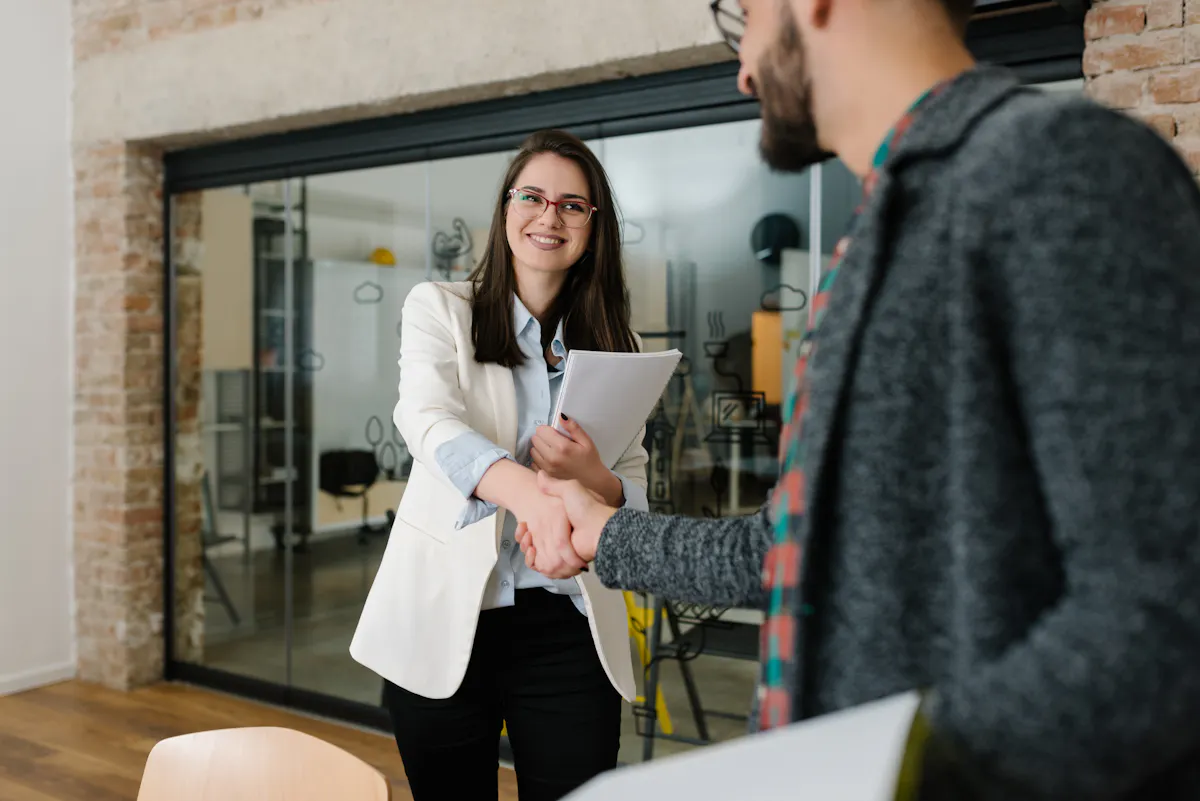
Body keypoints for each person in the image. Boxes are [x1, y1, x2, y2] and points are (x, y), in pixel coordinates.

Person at [517, 0, 1200, 799]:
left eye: (744, 22)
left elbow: (1164, 619)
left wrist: (870, 774)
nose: (742, 69)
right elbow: (791, 549)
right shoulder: (882, 234)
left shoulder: (1064, 171)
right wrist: (605, 531)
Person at [350, 129, 650, 801]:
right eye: (534, 197)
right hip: (446, 616)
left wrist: (594, 475)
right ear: (506, 209)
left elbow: (634, 491)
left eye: (574, 205)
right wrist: (532, 495)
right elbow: (425, 421)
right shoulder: (440, 309)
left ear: (594, 227)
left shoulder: (617, 344)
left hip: (568, 624)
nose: (551, 216)